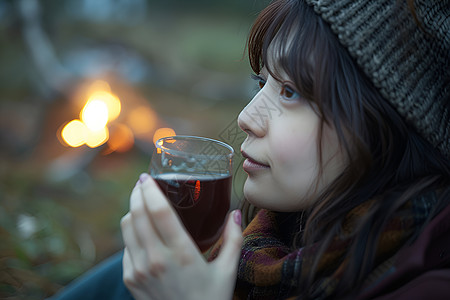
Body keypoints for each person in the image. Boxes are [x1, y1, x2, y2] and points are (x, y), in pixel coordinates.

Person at [50, 0, 450, 299]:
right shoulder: (253, 245)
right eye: (262, 85)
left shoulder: (427, 286)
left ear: (383, 128)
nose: (246, 117)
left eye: (291, 92)